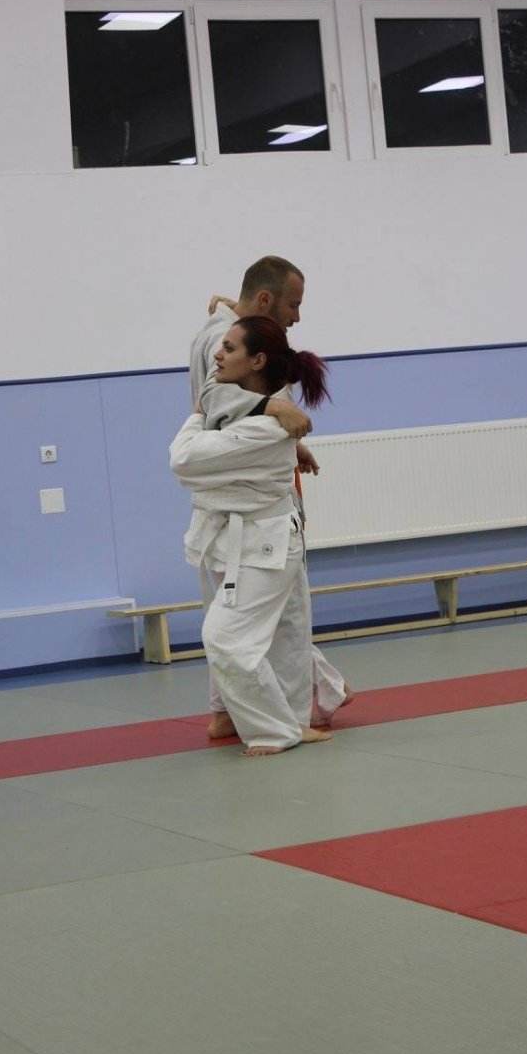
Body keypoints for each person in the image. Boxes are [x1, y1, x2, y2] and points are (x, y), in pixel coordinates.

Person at [190, 255, 351, 738]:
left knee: (234, 619)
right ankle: (297, 716)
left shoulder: (222, 330)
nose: (296, 317)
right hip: (255, 515)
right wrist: (275, 407)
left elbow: (223, 409)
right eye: (292, 305)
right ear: (264, 299)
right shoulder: (225, 341)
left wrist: (289, 442)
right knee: (284, 619)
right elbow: (216, 399)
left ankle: (229, 710)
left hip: (229, 505)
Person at [171, 316, 333, 755]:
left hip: (267, 542)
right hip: (251, 539)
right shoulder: (251, 408)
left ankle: (278, 729)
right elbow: (216, 390)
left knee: (232, 638)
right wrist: (265, 407)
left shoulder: (260, 426)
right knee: (282, 636)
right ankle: (292, 723)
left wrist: (199, 415)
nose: (217, 355)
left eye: (229, 348)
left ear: (257, 360)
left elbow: (183, 459)